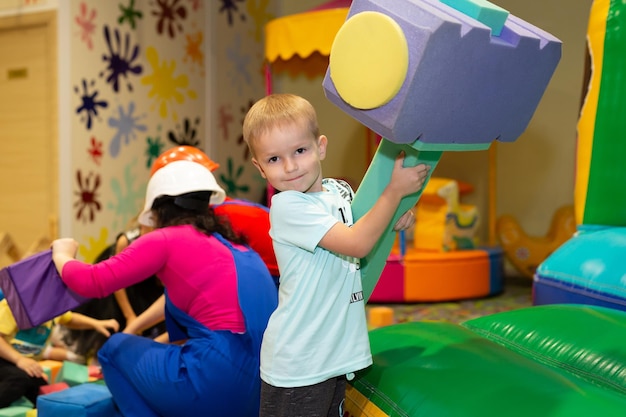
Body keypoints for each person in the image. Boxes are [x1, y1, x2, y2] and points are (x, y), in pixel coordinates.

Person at [242, 93, 430, 417]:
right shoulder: (288, 207)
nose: (289, 167)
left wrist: (396, 217)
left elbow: (367, 225)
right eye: (274, 159)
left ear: (320, 147)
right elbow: (357, 243)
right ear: (260, 168)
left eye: (299, 150)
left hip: (333, 355)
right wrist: (394, 192)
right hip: (299, 364)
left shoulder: (339, 193)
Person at [51, 160, 278, 417]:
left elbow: (91, 281)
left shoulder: (167, 239)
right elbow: (190, 312)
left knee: (113, 350)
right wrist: (135, 330)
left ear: (158, 210)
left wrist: (62, 255)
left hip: (217, 381)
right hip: (262, 391)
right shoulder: (233, 246)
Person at [0, 298, 119, 407]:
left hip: (22, 365)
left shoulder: (51, 306)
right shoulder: (12, 305)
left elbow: (70, 319)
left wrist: (95, 323)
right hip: (5, 358)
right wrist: (19, 359)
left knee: (44, 393)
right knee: (18, 380)